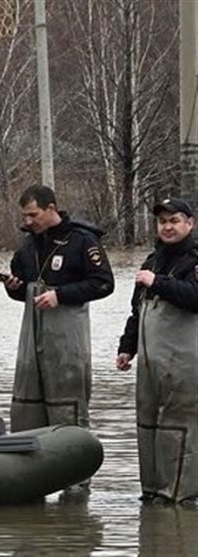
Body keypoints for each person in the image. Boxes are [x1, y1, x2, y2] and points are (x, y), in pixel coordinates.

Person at [0, 185, 114, 436]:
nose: (29, 221)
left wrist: (60, 295)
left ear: (51, 208)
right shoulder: (27, 247)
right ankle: (29, 472)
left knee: (67, 417)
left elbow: (104, 283)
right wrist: (13, 287)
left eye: (33, 215)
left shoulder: (82, 240)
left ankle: (76, 471)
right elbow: (22, 291)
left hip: (67, 347)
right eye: (25, 216)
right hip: (32, 346)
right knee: (26, 414)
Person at [115, 197, 197, 507]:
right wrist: (127, 347)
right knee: (147, 425)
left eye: (174, 220)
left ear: (190, 224)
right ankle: (152, 495)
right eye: (163, 221)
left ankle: (179, 496)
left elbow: (195, 297)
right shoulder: (151, 261)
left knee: (178, 428)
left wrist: (159, 282)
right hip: (150, 364)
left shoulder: (194, 260)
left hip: (185, 363)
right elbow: (137, 311)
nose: (168, 226)